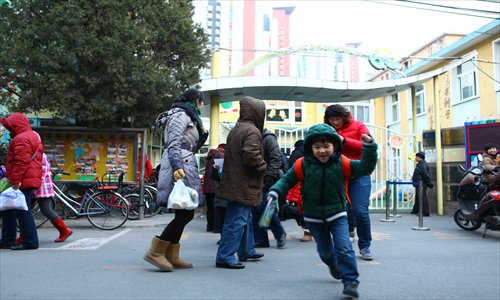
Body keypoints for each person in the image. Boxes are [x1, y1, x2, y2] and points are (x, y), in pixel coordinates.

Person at [267, 123, 378, 299]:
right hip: (313, 217)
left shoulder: (342, 162)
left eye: (326, 146)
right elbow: (286, 181)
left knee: (344, 247)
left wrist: (370, 148)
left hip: (338, 214)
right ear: (310, 148)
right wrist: (274, 191)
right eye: (317, 147)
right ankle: (333, 265)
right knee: (325, 252)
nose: (322, 151)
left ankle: (350, 282)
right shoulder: (301, 165)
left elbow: (365, 167)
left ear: (335, 146)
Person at [144, 87, 208, 271]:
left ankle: (171, 254)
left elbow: (190, 144)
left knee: (185, 212)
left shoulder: (190, 117)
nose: (202, 106)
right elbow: (173, 144)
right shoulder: (181, 115)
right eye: (201, 102)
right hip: (178, 166)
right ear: (197, 101)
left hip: (183, 163)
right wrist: (178, 166)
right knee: (186, 212)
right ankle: (156, 251)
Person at [215, 96, 267, 269]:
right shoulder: (252, 131)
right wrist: (262, 167)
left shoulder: (237, 128)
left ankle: (246, 250)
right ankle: (225, 255)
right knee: (236, 220)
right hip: (243, 183)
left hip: (234, 181)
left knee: (245, 217)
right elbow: (251, 155)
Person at [324, 104, 374, 260]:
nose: (335, 123)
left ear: (344, 117)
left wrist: (343, 140)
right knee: (339, 213)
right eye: (331, 120)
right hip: (338, 175)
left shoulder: (358, 125)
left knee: (360, 211)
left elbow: (366, 146)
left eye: (337, 119)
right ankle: (342, 247)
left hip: (360, 173)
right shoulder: (327, 129)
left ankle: (365, 245)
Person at [0, 113, 44, 250]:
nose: (9, 130)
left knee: (22, 211)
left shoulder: (21, 138)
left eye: (10, 127)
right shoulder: (32, 135)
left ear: (17, 125)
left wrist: (15, 180)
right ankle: (8, 240)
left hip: (22, 180)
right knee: (10, 209)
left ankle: (30, 241)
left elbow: (21, 162)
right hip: (27, 178)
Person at [16, 153, 73, 245]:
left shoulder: (37, 154)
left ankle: (64, 230)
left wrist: (35, 184)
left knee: (44, 210)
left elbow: (41, 170)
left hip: (40, 186)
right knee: (28, 210)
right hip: (38, 185)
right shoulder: (38, 153)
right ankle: (23, 235)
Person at [253, 128, 287, 248]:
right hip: (256, 179)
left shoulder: (268, 138)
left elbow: (276, 158)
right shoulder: (254, 137)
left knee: (264, 208)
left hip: (269, 179)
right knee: (256, 209)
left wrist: (269, 178)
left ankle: (279, 233)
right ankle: (261, 239)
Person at [286, 139, 312, 242]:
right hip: (305, 183)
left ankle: (308, 232)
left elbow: (291, 168)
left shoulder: (296, 153)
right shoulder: (310, 154)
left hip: (300, 184)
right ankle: (309, 231)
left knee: (302, 208)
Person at [203, 143, 226, 232]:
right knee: (217, 208)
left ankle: (209, 226)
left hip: (207, 187)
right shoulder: (221, 155)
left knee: (210, 208)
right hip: (215, 186)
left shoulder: (211, 156)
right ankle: (216, 227)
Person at [411, 151, 433, 216]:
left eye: (417, 157)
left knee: (422, 197)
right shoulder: (421, 164)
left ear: (420, 157)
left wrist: (429, 183)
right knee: (418, 197)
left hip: (421, 183)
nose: (415, 158)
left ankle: (425, 212)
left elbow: (425, 174)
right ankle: (416, 210)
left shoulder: (422, 164)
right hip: (419, 183)